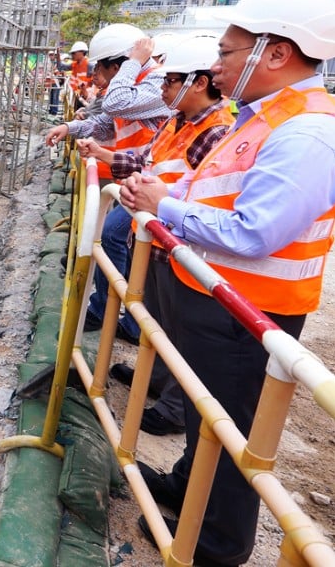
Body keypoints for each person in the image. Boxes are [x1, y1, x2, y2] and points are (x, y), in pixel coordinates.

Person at [120, 0, 335, 566]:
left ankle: (215, 544)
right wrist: (163, 189)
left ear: (276, 53)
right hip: (215, 296)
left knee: (232, 429)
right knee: (205, 415)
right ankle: (191, 486)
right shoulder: (262, 115)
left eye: (225, 52)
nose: (215, 66)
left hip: (250, 313)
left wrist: (166, 208)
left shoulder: (309, 132)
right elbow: (205, 185)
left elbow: (257, 231)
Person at [76, 34, 234, 436]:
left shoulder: (217, 133)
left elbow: (185, 187)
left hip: (180, 244)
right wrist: (103, 155)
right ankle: (159, 378)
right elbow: (146, 161)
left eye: (170, 81)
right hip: (154, 238)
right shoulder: (177, 121)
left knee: (182, 330)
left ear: (198, 82)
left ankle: (174, 408)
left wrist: (150, 197)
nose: (162, 89)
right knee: (159, 318)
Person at [46, 25, 172, 344]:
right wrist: (69, 126)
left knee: (112, 235)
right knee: (125, 242)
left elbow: (113, 104)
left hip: (155, 183)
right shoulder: (136, 85)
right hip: (135, 176)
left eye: (100, 67)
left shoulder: (153, 82)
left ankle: (109, 311)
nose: (96, 75)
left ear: (116, 65)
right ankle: (123, 315)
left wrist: (133, 62)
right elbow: (105, 122)